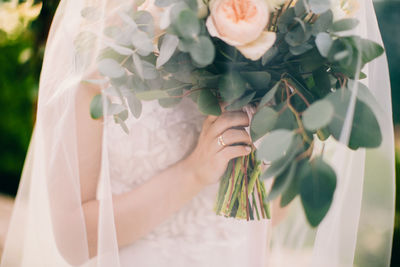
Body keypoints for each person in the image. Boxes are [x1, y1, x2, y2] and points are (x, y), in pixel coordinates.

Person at [0, 0, 395, 267]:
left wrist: (285, 133)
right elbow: (72, 239)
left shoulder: (274, 27)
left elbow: (271, 216)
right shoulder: (104, 33)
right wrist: (194, 173)